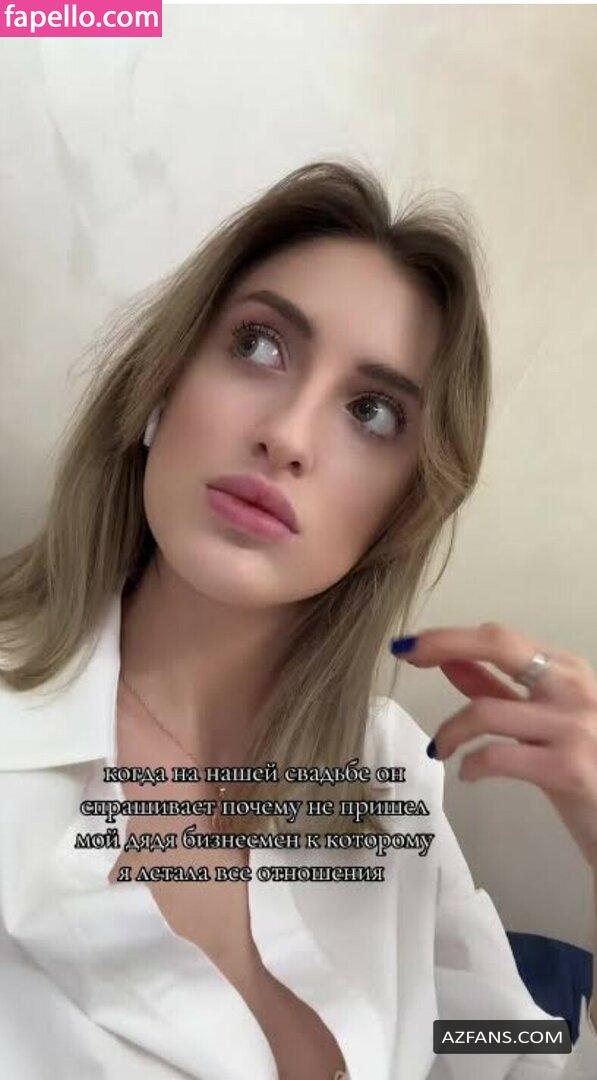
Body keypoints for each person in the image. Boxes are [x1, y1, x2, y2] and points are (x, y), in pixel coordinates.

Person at [0, 159, 595, 1079]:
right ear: (162, 388)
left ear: (401, 509)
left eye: (373, 412)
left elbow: (500, 1054)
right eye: (259, 345)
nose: (286, 435)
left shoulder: (386, 772)